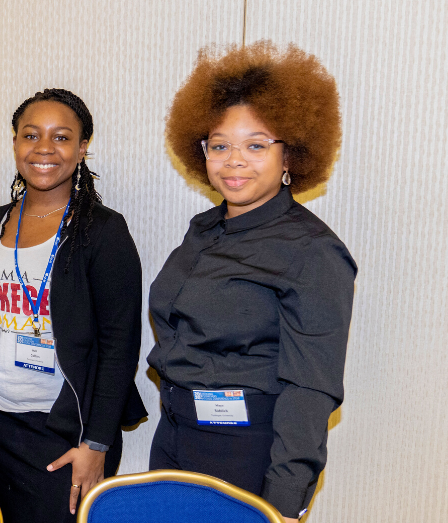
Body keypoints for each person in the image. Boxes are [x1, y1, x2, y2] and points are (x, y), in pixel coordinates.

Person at [148, 41, 357, 522]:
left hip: (246, 451)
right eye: (219, 145)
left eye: (256, 145)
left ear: (291, 157)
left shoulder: (313, 251)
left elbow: (311, 389)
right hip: (176, 434)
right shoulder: (203, 229)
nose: (234, 160)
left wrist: (284, 503)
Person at [0, 89, 147, 522]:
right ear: (15, 143)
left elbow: (119, 345)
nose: (44, 148)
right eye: (31, 135)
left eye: (61, 137)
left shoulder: (102, 232)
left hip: (66, 429)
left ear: (82, 148)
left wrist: (97, 443)